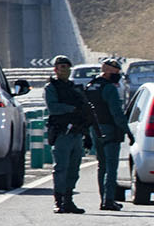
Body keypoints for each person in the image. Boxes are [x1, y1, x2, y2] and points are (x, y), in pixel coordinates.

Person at [43, 54, 96, 215]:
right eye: (62, 67)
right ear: (56, 70)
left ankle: (68, 200)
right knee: (61, 168)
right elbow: (53, 108)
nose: (65, 70)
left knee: (74, 170)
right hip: (62, 133)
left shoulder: (74, 88)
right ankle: (59, 201)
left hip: (76, 133)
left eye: (67, 67)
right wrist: (71, 109)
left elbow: (85, 111)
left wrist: (87, 133)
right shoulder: (51, 88)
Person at [84, 57, 132, 211]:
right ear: (107, 71)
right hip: (110, 129)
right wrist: (128, 132)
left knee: (102, 166)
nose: (117, 75)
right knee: (111, 167)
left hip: (95, 129)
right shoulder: (109, 88)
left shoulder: (91, 86)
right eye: (116, 72)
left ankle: (103, 198)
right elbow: (117, 113)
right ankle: (108, 200)